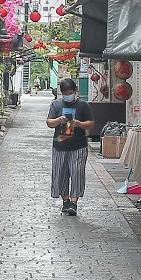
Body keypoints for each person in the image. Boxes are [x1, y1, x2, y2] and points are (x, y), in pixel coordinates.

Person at [46, 78, 93, 216]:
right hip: (60, 146)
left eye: (70, 92)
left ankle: (74, 202)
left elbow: (90, 123)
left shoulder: (83, 105)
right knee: (60, 174)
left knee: (77, 173)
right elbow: (49, 122)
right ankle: (65, 200)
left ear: (75, 91)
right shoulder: (56, 105)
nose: (68, 95)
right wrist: (58, 120)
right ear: (62, 93)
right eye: (65, 93)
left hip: (78, 145)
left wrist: (79, 124)